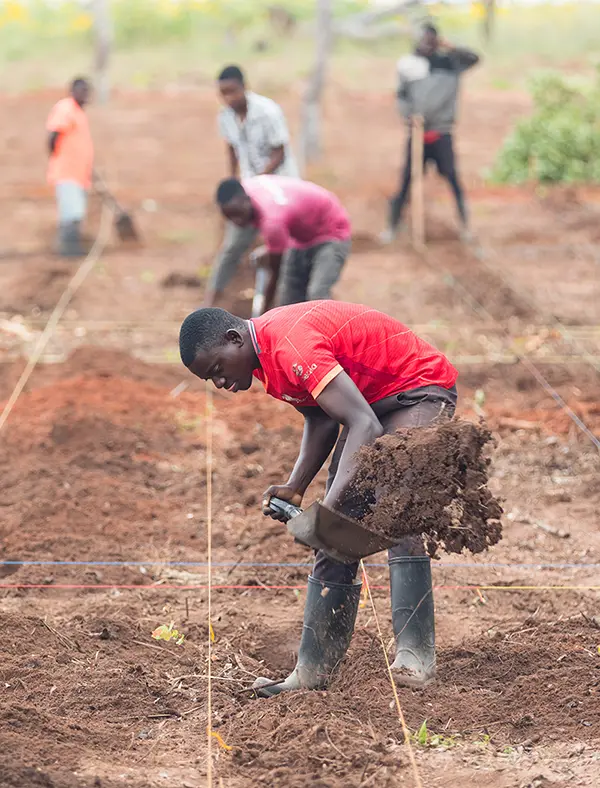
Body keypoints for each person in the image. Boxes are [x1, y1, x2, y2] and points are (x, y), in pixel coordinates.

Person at [179, 300, 458, 696]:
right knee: (333, 533)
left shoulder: (291, 346)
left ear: (233, 338)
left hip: (419, 390)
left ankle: (415, 657)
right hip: (373, 401)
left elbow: (362, 422)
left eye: (218, 370)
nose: (221, 384)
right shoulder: (268, 361)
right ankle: (312, 673)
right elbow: (324, 415)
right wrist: (297, 486)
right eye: (212, 380)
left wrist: (332, 507)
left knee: (401, 504)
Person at [205, 65, 299, 308]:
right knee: (231, 247)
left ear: (244, 87)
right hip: (247, 193)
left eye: (232, 92)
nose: (228, 98)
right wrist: (234, 182)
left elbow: (280, 151)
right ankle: (210, 301)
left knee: (283, 248)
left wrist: (259, 180)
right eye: (223, 93)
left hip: (280, 190)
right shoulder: (225, 117)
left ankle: (283, 301)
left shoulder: (268, 112)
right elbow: (232, 149)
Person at [380, 24, 480, 244]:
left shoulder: (451, 63)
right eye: (423, 40)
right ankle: (391, 228)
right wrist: (409, 116)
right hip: (417, 133)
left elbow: (474, 58)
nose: (426, 44)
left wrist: (450, 46)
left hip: (442, 132)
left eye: (431, 40)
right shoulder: (409, 65)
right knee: (406, 180)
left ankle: (465, 227)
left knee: (452, 178)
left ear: (437, 41)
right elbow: (402, 96)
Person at [215, 176, 351, 312]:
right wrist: (272, 249)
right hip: (299, 237)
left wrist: (263, 314)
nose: (236, 222)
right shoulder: (244, 187)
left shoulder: (272, 222)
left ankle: (334, 329)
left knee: (317, 295)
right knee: (288, 305)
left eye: (237, 214)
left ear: (246, 199)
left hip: (331, 230)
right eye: (229, 216)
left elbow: (275, 274)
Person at [46, 78, 93, 257]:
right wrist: (60, 158)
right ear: (73, 91)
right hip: (67, 172)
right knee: (71, 213)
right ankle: (68, 250)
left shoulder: (78, 112)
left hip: (79, 173)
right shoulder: (66, 108)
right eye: (82, 91)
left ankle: (71, 249)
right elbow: (53, 136)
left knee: (76, 212)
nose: (85, 96)